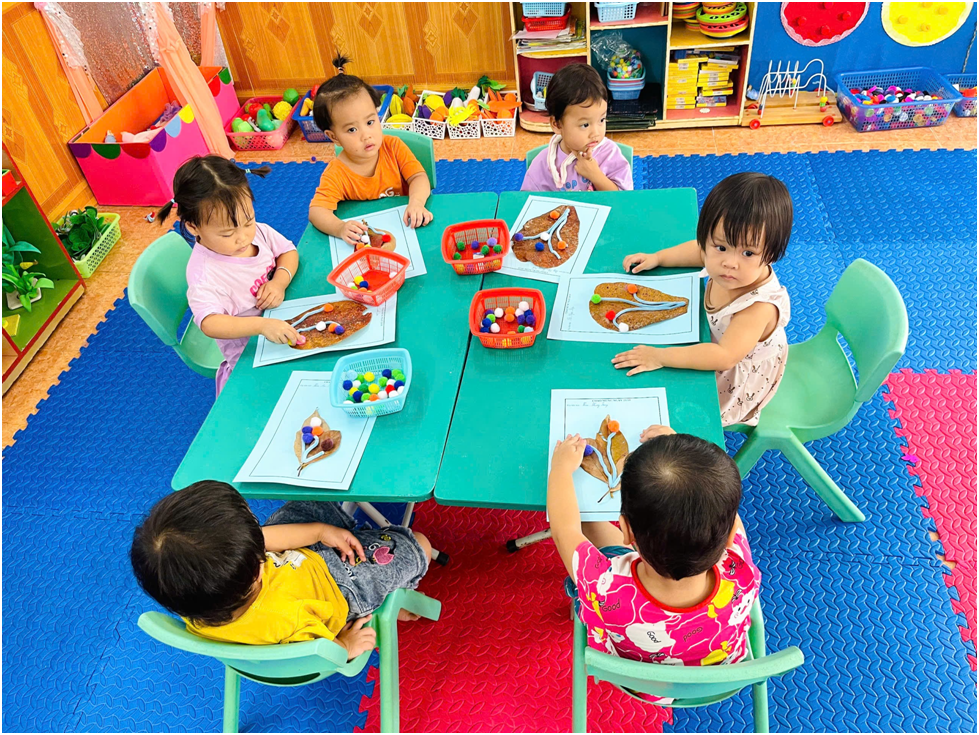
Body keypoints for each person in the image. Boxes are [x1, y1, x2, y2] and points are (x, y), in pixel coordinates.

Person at [547, 427, 759, 703]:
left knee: (590, 543)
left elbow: (565, 530)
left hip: (643, 683)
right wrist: (683, 456)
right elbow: (726, 513)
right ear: (728, 537)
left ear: (627, 531)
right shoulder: (739, 567)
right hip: (718, 674)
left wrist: (561, 470)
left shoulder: (604, 586)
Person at [131, 482, 433, 659]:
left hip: (291, 571)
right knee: (418, 544)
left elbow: (262, 540)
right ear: (256, 569)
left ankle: (339, 532)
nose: (256, 526)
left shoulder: (191, 596)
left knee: (312, 494)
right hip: (339, 587)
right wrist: (346, 645)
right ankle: (392, 597)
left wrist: (319, 531)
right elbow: (327, 652)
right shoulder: (288, 621)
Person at [615, 172, 792, 426]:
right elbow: (700, 252)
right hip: (718, 343)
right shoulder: (722, 260)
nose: (729, 262)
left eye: (748, 253)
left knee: (683, 414)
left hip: (733, 374)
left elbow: (723, 356)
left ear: (771, 254)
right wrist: (658, 258)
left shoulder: (758, 309)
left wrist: (660, 357)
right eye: (721, 247)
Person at [155, 156, 299, 396]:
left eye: (248, 221)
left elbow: (288, 251)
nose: (243, 237)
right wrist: (262, 325)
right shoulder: (205, 276)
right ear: (193, 226)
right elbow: (210, 323)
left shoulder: (258, 233)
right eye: (227, 233)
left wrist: (279, 282)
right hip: (250, 354)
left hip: (281, 323)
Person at [308, 54, 432, 243]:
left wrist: (416, 203)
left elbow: (419, 177)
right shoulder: (336, 173)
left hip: (408, 228)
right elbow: (316, 211)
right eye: (352, 129)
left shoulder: (393, 147)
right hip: (370, 239)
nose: (366, 135)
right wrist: (339, 228)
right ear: (334, 137)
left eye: (370, 122)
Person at [521, 63, 632, 193]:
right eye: (585, 125)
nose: (595, 133)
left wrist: (595, 175)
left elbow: (623, 199)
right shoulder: (543, 163)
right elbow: (526, 200)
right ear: (557, 124)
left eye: (601, 120)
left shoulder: (610, 154)